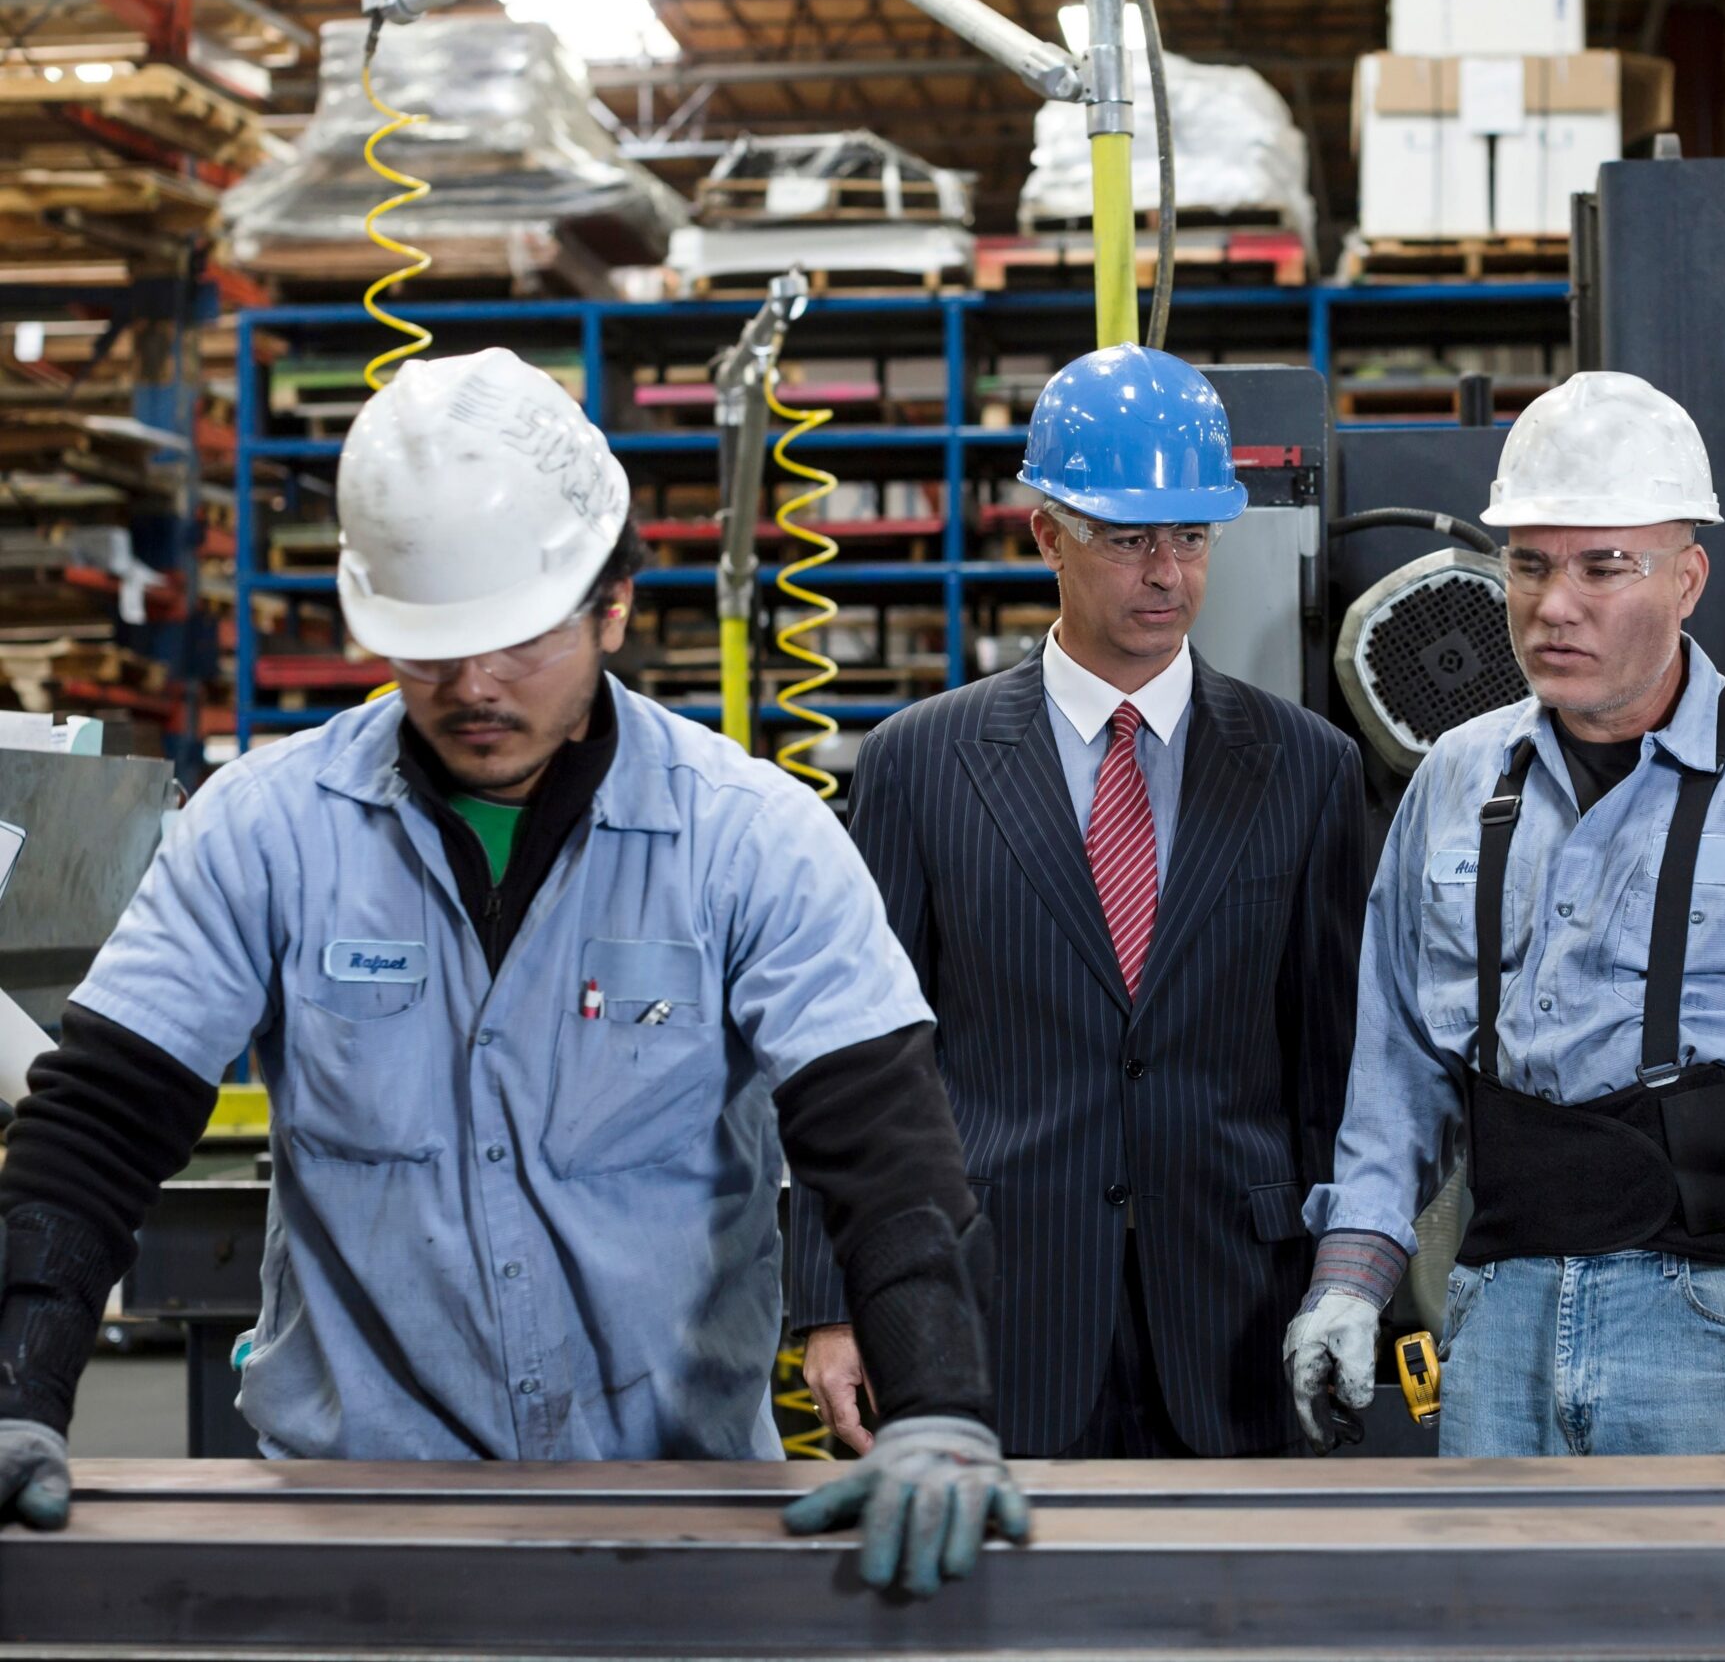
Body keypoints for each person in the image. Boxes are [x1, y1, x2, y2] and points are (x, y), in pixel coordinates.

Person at [0, 350, 1022, 1593]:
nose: (474, 689)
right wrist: (20, 1393)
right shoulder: (266, 828)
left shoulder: (750, 837)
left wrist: (939, 1407)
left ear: (615, 606)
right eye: (433, 651)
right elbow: (102, 1119)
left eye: (516, 642)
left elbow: (881, 1145)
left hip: (676, 1517)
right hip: (347, 1520)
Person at [1282, 371, 1725, 1458]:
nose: (1554, 604)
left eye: (1603, 566)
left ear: (1688, 576)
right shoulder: (1455, 780)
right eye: (1528, 564)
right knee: (1510, 1631)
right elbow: (1397, 1075)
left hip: (1723, 1333)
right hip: (1495, 1318)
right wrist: (1349, 1281)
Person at [786, 343, 1364, 1458]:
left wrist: (1346, 1280)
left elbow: (1330, 1068)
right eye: (1128, 538)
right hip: (999, 1307)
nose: (1167, 575)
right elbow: (856, 1057)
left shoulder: (1305, 767)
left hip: (1236, 1308)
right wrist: (831, 1293)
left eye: (1191, 538)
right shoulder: (921, 763)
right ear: (1047, 533)